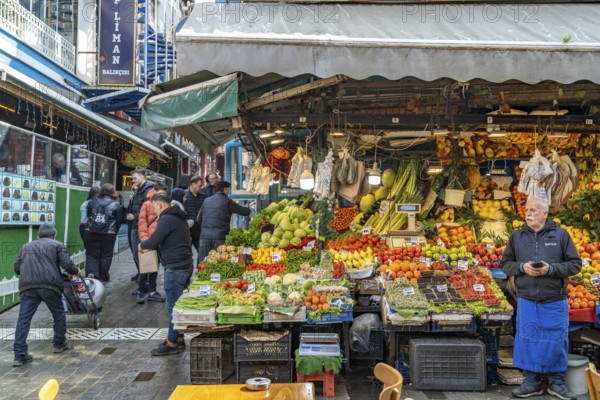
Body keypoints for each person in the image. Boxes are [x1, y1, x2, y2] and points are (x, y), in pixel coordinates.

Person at [501, 198, 582, 400]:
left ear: (545, 214)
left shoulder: (561, 235)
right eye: (527, 210)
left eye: (534, 210)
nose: (528, 213)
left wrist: (552, 269)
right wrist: (522, 267)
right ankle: (531, 383)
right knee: (528, 340)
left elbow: (575, 264)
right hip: (527, 300)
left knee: (556, 340)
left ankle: (557, 383)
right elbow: (505, 264)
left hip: (554, 300)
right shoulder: (517, 236)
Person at [13, 223, 80, 367]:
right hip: (50, 285)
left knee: (23, 320)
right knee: (58, 313)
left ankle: (19, 355)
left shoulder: (26, 246)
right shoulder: (57, 245)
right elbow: (67, 265)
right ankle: (59, 343)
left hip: (28, 286)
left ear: (38, 236)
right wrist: (76, 272)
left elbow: (17, 268)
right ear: (54, 235)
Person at [139, 193, 193, 355]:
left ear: (160, 205)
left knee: (172, 307)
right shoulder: (179, 216)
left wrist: (142, 245)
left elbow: (154, 241)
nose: (155, 211)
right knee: (179, 305)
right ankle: (179, 337)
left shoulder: (166, 219)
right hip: (185, 264)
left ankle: (171, 342)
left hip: (175, 268)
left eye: (155, 207)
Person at [196, 181, 251, 263]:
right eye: (228, 189)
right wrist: (248, 208)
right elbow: (245, 212)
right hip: (220, 238)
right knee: (219, 263)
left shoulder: (206, 201)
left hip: (204, 237)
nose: (228, 192)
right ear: (224, 189)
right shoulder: (227, 201)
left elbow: (198, 219)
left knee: (204, 265)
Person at [136, 182, 168, 304]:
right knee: (145, 267)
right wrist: (145, 241)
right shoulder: (147, 204)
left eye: (164, 193)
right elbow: (142, 223)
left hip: (159, 240)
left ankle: (152, 291)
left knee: (155, 266)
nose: (162, 195)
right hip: (149, 240)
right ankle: (141, 291)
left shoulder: (164, 204)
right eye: (160, 193)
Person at [85, 183, 123, 282]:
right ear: (112, 192)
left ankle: (92, 273)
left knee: (91, 254)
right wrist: (114, 232)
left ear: (101, 191)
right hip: (109, 234)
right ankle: (103, 277)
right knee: (106, 255)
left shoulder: (92, 202)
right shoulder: (116, 204)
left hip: (91, 232)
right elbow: (119, 221)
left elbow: (89, 215)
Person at [126, 167, 154, 283]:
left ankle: (146, 280)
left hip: (143, 227)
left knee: (142, 253)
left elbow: (150, 211)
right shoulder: (138, 190)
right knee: (135, 253)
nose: (133, 180)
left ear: (142, 177)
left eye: (135, 178)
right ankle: (141, 274)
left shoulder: (149, 190)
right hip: (135, 225)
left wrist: (135, 216)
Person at [183, 175, 206, 266]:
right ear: (193, 184)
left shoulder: (203, 196)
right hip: (186, 229)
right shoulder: (184, 195)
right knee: (186, 253)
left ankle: (199, 268)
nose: (201, 188)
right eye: (200, 186)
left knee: (201, 251)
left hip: (199, 228)